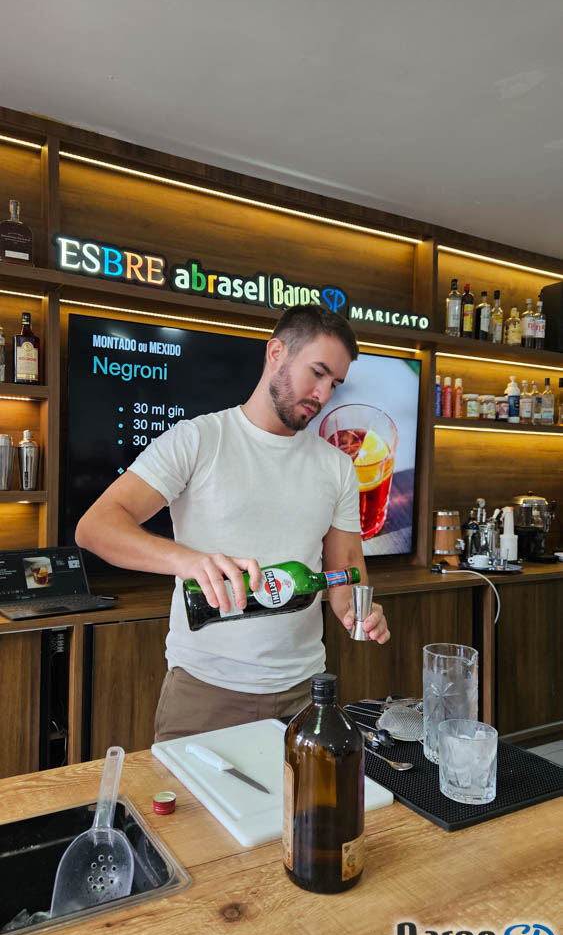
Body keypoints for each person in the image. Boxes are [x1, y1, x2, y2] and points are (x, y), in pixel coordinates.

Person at [75, 305, 390, 739]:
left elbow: (347, 568)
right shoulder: (198, 439)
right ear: (276, 353)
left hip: (304, 693)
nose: (322, 394)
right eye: (317, 373)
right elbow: (95, 527)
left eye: (334, 383)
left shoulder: (336, 466)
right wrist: (187, 561)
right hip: (204, 692)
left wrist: (359, 611)